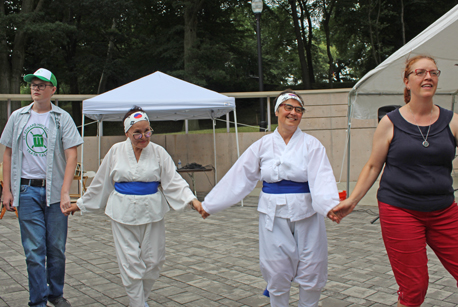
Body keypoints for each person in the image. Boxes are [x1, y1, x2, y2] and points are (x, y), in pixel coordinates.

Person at [330, 55, 458, 307]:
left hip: (444, 210)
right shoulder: (390, 123)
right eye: (420, 72)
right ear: (407, 81)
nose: (428, 77)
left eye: (433, 72)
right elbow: (374, 165)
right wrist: (353, 200)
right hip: (400, 210)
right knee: (414, 289)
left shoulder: (453, 122)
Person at [197, 90, 340, 307]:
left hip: (307, 213)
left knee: (312, 266)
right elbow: (240, 176)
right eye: (288, 107)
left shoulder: (312, 145)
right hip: (273, 214)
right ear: (277, 111)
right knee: (277, 269)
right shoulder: (262, 145)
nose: (293, 113)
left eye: (298, 109)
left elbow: (322, 178)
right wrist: (211, 204)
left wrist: (330, 206)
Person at [62, 106, 203, 307]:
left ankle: (139, 300)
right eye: (137, 132)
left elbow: (173, 181)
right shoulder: (116, 151)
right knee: (130, 263)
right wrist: (81, 204)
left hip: (152, 211)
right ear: (127, 132)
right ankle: (138, 303)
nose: (143, 136)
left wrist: (192, 200)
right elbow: (101, 182)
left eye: (147, 131)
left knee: (154, 261)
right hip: (122, 212)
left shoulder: (159, 152)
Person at [0, 68, 83, 307]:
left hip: (55, 192)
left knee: (56, 248)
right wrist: (7, 190)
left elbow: (71, 156)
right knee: (34, 250)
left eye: (42, 84)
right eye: (33, 84)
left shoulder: (62, 118)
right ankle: (37, 301)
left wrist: (66, 191)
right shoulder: (17, 117)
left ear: (53, 90)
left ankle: (55, 294)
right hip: (25, 191)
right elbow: (7, 153)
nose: (35, 88)